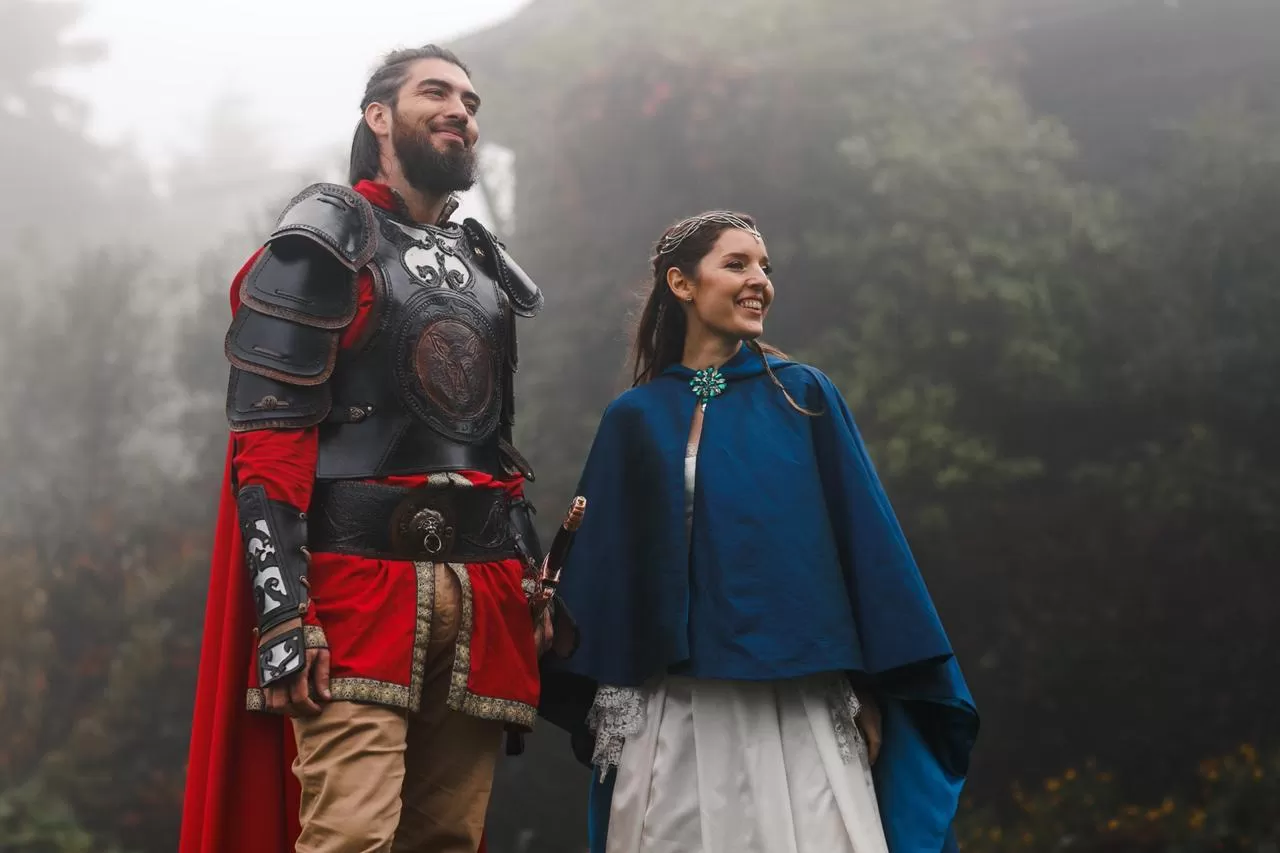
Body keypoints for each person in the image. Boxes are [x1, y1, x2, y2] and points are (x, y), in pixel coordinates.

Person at [179, 44, 569, 853]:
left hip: (482, 593)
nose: (461, 108)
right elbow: (271, 444)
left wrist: (528, 576)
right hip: (355, 594)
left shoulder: (485, 268)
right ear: (379, 116)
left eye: (470, 98)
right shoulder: (324, 242)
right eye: (436, 92)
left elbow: (491, 448)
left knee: (449, 841)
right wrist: (284, 608)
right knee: (351, 837)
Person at [545, 211, 980, 853]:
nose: (759, 281)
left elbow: (867, 548)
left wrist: (871, 683)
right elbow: (606, 572)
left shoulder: (805, 398)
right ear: (682, 283)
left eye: (765, 268)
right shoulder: (632, 420)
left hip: (797, 701)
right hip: (676, 712)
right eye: (737, 264)